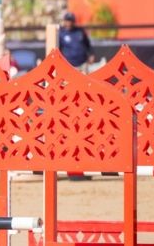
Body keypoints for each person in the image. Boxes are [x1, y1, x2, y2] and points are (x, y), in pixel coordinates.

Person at [58, 12, 95, 181]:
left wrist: (91, 55)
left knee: (85, 89)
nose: (69, 23)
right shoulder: (61, 34)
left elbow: (89, 44)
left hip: (82, 65)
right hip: (68, 67)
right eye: (67, 20)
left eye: (71, 20)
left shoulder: (80, 32)